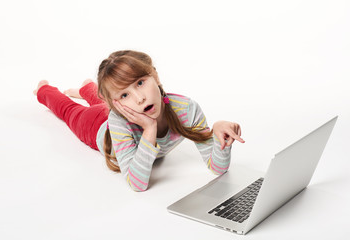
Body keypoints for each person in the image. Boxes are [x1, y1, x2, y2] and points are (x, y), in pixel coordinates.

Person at [34, 50, 245, 192]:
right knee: (70, 111)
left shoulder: (186, 109)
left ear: (155, 76)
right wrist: (149, 128)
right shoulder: (118, 120)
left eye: (141, 83)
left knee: (102, 98)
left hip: (112, 106)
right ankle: (44, 90)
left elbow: (218, 169)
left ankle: (87, 88)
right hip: (98, 126)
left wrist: (219, 138)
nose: (139, 98)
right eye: (124, 95)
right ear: (116, 104)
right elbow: (137, 184)